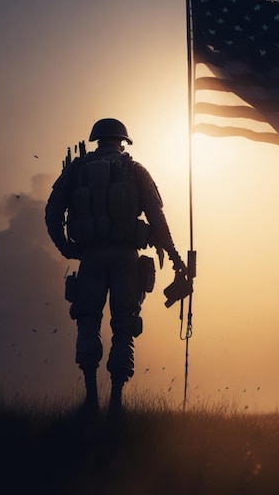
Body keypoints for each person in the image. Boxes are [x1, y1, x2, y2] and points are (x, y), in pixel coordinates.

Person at [45, 118, 186, 417]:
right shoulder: (135, 171)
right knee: (124, 326)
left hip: (90, 258)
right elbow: (157, 218)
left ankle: (91, 397)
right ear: (123, 142)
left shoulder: (77, 169)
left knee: (87, 323)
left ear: (96, 140)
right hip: (125, 258)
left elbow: (52, 211)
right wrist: (174, 257)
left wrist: (66, 247)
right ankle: (117, 402)